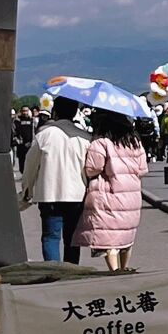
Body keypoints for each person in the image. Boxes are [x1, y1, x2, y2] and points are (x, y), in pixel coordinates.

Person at [77, 107, 148, 271]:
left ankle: (115, 272)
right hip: (132, 194)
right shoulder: (134, 142)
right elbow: (143, 169)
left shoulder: (100, 142)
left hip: (109, 194)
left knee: (110, 239)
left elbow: (93, 169)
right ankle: (124, 268)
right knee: (126, 235)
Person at [20, 96, 90, 262]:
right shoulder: (85, 137)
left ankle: (53, 272)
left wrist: (27, 189)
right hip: (76, 194)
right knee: (72, 239)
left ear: (55, 112)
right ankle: (71, 270)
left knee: (50, 237)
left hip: (49, 193)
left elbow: (30, 165)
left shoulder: (44, 135)